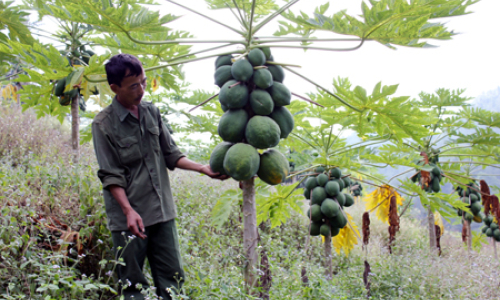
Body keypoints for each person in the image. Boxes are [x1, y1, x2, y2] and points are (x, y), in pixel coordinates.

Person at [91, 53, 227, 300]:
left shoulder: (151, 112)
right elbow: (111, 175)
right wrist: (128, 211)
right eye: (134, 85)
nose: (141, 89)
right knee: (133, 287)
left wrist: (203, 169)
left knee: (173, 282)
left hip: (162, 213)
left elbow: (171, 154)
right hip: (129, 219)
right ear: (114, 88)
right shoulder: (103, 124)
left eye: (143, 82)